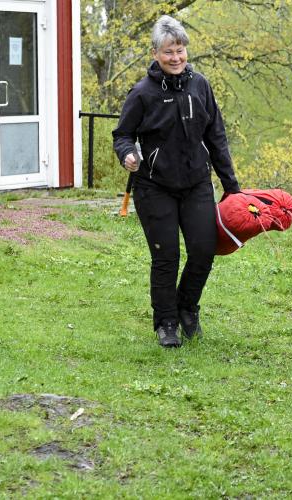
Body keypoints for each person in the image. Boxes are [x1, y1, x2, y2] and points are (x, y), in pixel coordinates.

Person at [112, 15, 240, 348]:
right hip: (154, 186)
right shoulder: (142, 93)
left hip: (196, 182)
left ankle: (187, 308)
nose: (176, 58)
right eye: (168, 51)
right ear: (155, 53)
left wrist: (232, 186)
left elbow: (216, 136)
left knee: (203, 250)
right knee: (166, 255)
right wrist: (127, 153)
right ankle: (166, 322)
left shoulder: (201, 86)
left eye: (180, 50)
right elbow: (123, 134)